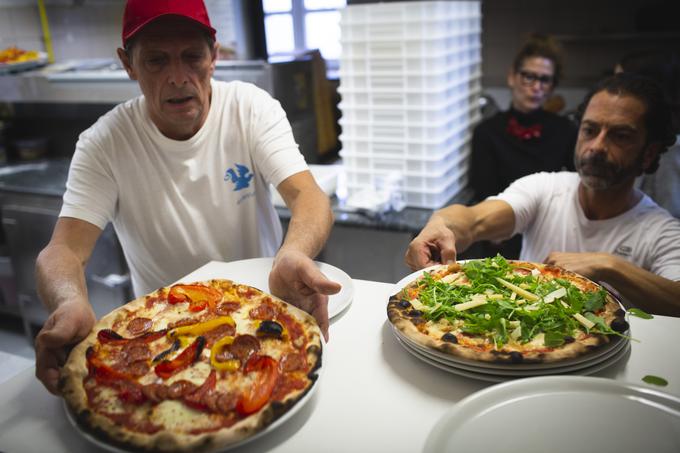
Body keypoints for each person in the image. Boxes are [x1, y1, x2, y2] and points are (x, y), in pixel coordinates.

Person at [34, 0, 341, 395]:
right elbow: (63, 250)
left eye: (191, 57)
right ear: (128, 64)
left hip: (261, 314)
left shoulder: (250, 108)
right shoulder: (104, 143)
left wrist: (294, 251)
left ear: (214, 56)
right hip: (160, 334)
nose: (178, 77)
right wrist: (68, 301)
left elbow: (308, 196)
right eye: (157, 61)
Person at [406, 73, 680, 317]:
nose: (596, 146)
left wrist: (608, 266)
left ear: (649, 153)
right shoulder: (545, 189)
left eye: (620, 136)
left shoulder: (662, 231)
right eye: (590, 130)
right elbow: (474, 220)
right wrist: (441, 224)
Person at [469, 34, 577, 259]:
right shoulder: (487, 132)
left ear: (552, 87)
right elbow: (485, 191)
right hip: (502, 231)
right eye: (529, 77)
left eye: (545, 80)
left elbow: (575, 186)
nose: (536, 87)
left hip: (550, 233)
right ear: (512, 77)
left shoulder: (565, 130)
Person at [615, 48, 680, 218]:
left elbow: (667, 213)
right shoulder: (639, 134)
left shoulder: (670, 149)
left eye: (618, 83)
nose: (611, 91)